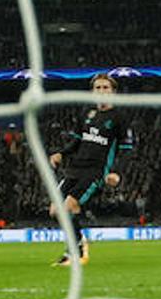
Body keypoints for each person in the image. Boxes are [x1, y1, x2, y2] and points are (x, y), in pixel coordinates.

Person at [49, 73, 134, 266]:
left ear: (113, 92)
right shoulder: (86, 112)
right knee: (55, 211)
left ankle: (77, 252)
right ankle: (77, 244)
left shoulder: (120, 118)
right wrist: (61, 154)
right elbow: (77, 140)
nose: (102, 91)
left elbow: (127, 149)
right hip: (74, 168)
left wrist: (116, 172)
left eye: (106, 88)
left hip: (96, 172)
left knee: (69, 206)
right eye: (98, 88)